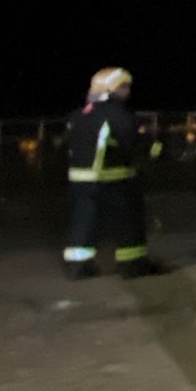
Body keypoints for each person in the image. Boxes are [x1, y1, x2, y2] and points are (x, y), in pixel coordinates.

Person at [63, 68, 163, 278]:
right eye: (125, 86)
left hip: (79, 180)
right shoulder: (118, 114)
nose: (128, 91)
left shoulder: (79, 115)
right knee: (128, 220)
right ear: (113, 89)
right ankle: (133, 264)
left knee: (83, 221)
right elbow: (134, 143)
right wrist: (160, 149)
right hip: (113, 178)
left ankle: (77, 265)